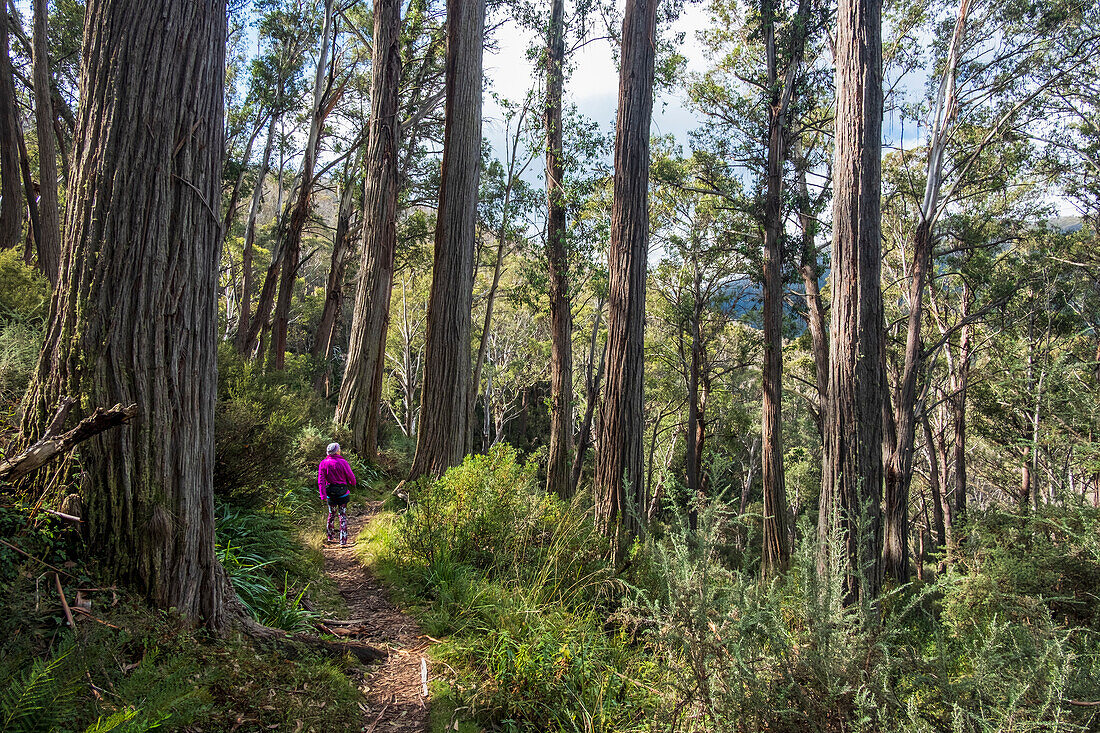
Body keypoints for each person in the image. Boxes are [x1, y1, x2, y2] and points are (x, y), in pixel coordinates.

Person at [318, 442, 356, 546]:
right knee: (342, 515)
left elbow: (321, 481)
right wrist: (353, 483)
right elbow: (351, 476)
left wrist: (323, 495)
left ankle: (330, 537)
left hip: (331, 494)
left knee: (331, 515)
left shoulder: (323, 463)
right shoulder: (343, 462)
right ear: (337, 451)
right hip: (343, 494)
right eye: (339, 449)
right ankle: (343, 541)